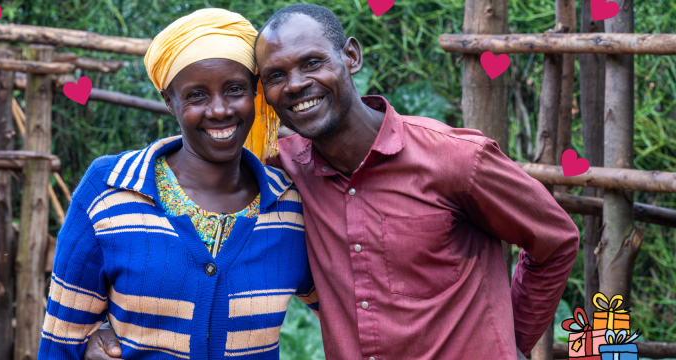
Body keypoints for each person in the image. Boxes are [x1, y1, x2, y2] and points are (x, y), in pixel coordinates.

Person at [86, 4, 579, 360]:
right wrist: (113, 327)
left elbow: (555, 241)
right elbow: (214, 246)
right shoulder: (284, 171)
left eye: (312, 63)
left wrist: (512, 339)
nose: (296, 84)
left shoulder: (455, 159)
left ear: (351, 57)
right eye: (275, 76)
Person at [38, 8, 319, 360]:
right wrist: (91, 341)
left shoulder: (290, 203)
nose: (219, 110)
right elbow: (61, 343)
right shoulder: (109, 191)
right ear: (169, 101)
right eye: (197, 95)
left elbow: (352, 306)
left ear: (255, 94)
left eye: (234, 89)